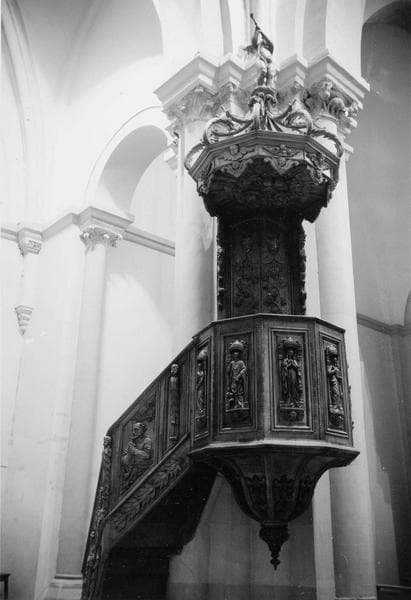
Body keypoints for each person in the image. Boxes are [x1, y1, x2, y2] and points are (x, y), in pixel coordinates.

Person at [120, 422, 152, 491]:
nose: (133, 432)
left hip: (142, 470)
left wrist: (134, 451)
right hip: (130, 470)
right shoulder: (131, 442)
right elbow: (123, 459)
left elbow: (147, 455)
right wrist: (129, 454)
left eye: (136, 430)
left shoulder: (147, 440)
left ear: (142, 430)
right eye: (133, 430)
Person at [226, 340, 248, 410]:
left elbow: (244, 368)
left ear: (239, 354)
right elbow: (228, 372)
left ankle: (240, 404)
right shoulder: (232, 363)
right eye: (234, 353)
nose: (236, 354)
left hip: (239, 380)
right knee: (234, 393)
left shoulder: (241, 362)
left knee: (239, 392)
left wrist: (239, 375)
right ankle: (236, 404)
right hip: (233, 380)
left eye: (237, 352)